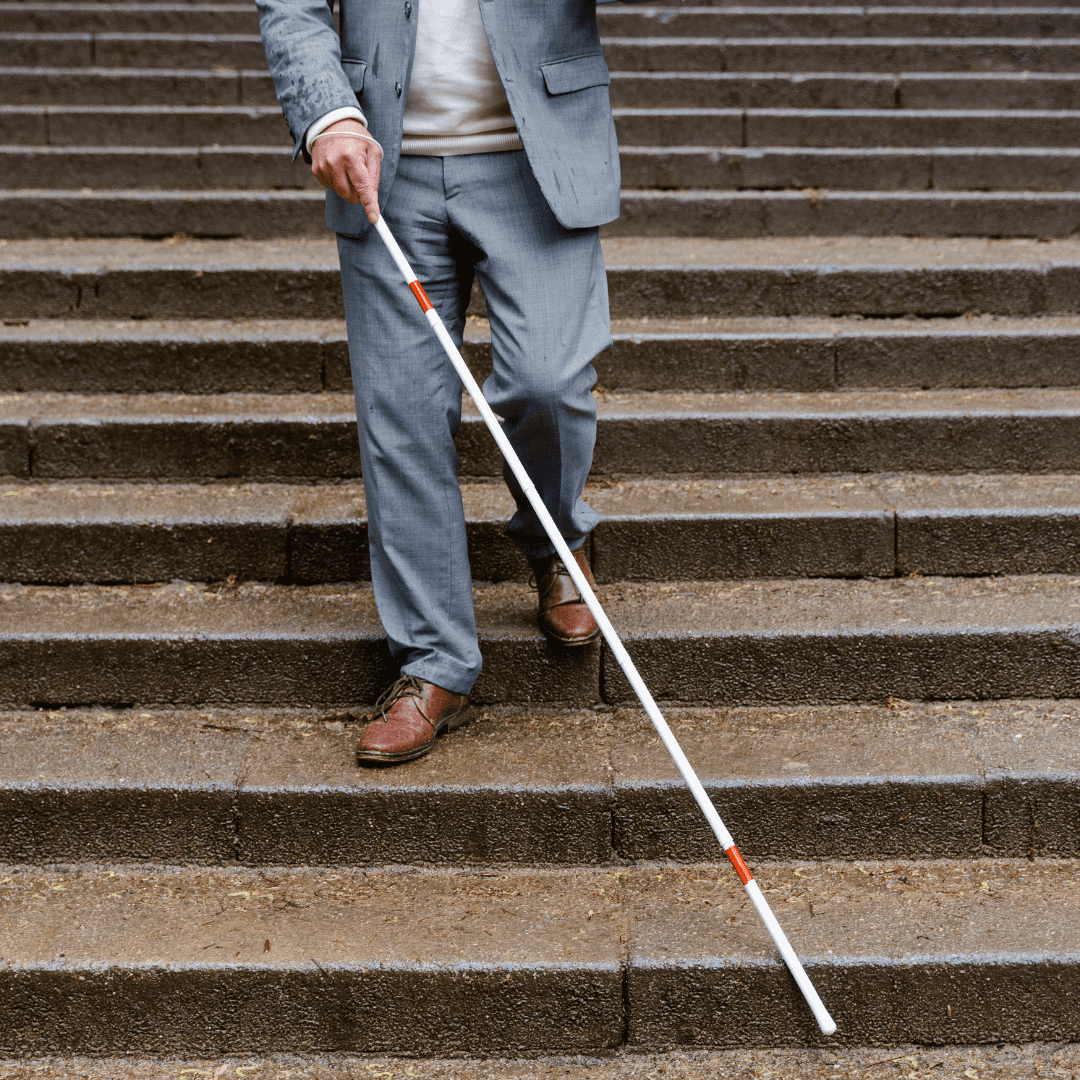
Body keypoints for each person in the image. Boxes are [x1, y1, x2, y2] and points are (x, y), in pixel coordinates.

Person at [258, 0, 621, 765]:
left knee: (545, 383)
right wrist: (325, 113)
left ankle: (557, 539)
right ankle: (432, 660)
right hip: (385, 163)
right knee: (404, 418)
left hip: (538, 153)